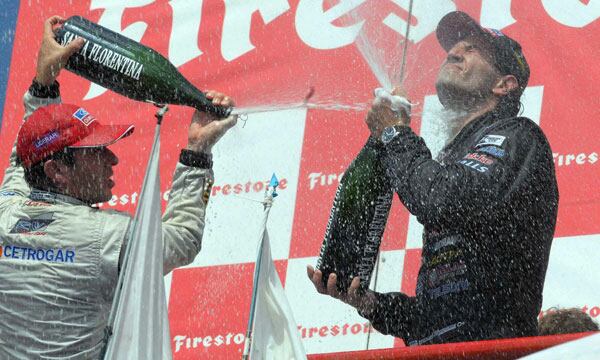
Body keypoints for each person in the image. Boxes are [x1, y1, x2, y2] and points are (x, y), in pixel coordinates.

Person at [308, 11, 559, 345]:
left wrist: (396, 133)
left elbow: (441, 201)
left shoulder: (518, 136)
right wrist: (368, 302)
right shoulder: (453, 159)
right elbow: (439, 317)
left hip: (491, 351)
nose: (454, 52)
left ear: (504, 84)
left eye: (473, 49)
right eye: (456, 46)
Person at [0, 16, 237, 358]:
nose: (111, 161)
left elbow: (27, 148)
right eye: (95, 152)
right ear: (57, 172)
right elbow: (182, 239)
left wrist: (44, 81)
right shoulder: (110, 237)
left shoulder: (8, 206)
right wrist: (197, 151)